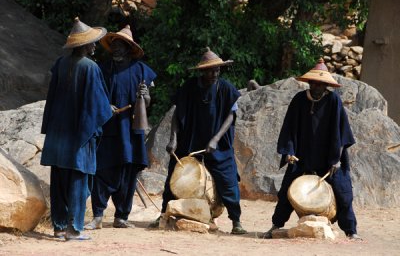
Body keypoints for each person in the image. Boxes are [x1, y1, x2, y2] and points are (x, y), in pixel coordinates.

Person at [149, 47, 247, 235]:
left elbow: (231, 116)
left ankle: (236, 221)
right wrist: (173, 139)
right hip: (189, 142)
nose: (214, 73)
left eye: (217, 70)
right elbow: (177, 115)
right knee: (174, 177)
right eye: (210, 70)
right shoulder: (188, 88)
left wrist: (216, 139)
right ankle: (164, 214)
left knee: (228, 181)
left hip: (217, 145)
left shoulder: (226, 88)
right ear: (201, 71)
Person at [262, 59, 361, 240]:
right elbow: (289, 128)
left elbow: (341, 133)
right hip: (302, 157)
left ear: (326, 85)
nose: (317, 87)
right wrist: (289, 152)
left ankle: (351, 231)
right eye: (314, 83)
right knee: (286, 192)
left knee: (343, 192)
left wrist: (336, 159)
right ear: (309, 82)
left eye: (321, 84)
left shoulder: (333, 101)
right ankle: (276, 225)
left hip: (329, 159)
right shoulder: (299, 100)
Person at [40, 17, 112, 241]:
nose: (94, 45)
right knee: (79, 183)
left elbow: (52, 99)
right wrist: (107, 109)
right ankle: (74, 229)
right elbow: (97, 106)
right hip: (79, 135)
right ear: (83, 46)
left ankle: (59, 227)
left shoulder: (60, 64)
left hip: (58, 136)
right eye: (92, 42)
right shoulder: (91, 68)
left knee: (59, 182)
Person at [84, 25, 156, 230]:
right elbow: (93, 94)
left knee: (129, 172)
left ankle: (121, 217)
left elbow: (148, 102)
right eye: (113, 44)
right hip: (107, 128)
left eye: (120, 45)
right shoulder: (102, 68)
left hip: (131, 130)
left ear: (128, 48)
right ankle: (98, 215)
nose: (115, 48)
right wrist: (105, 105)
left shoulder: (142, 70)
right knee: (101, 170)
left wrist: (144, 96)